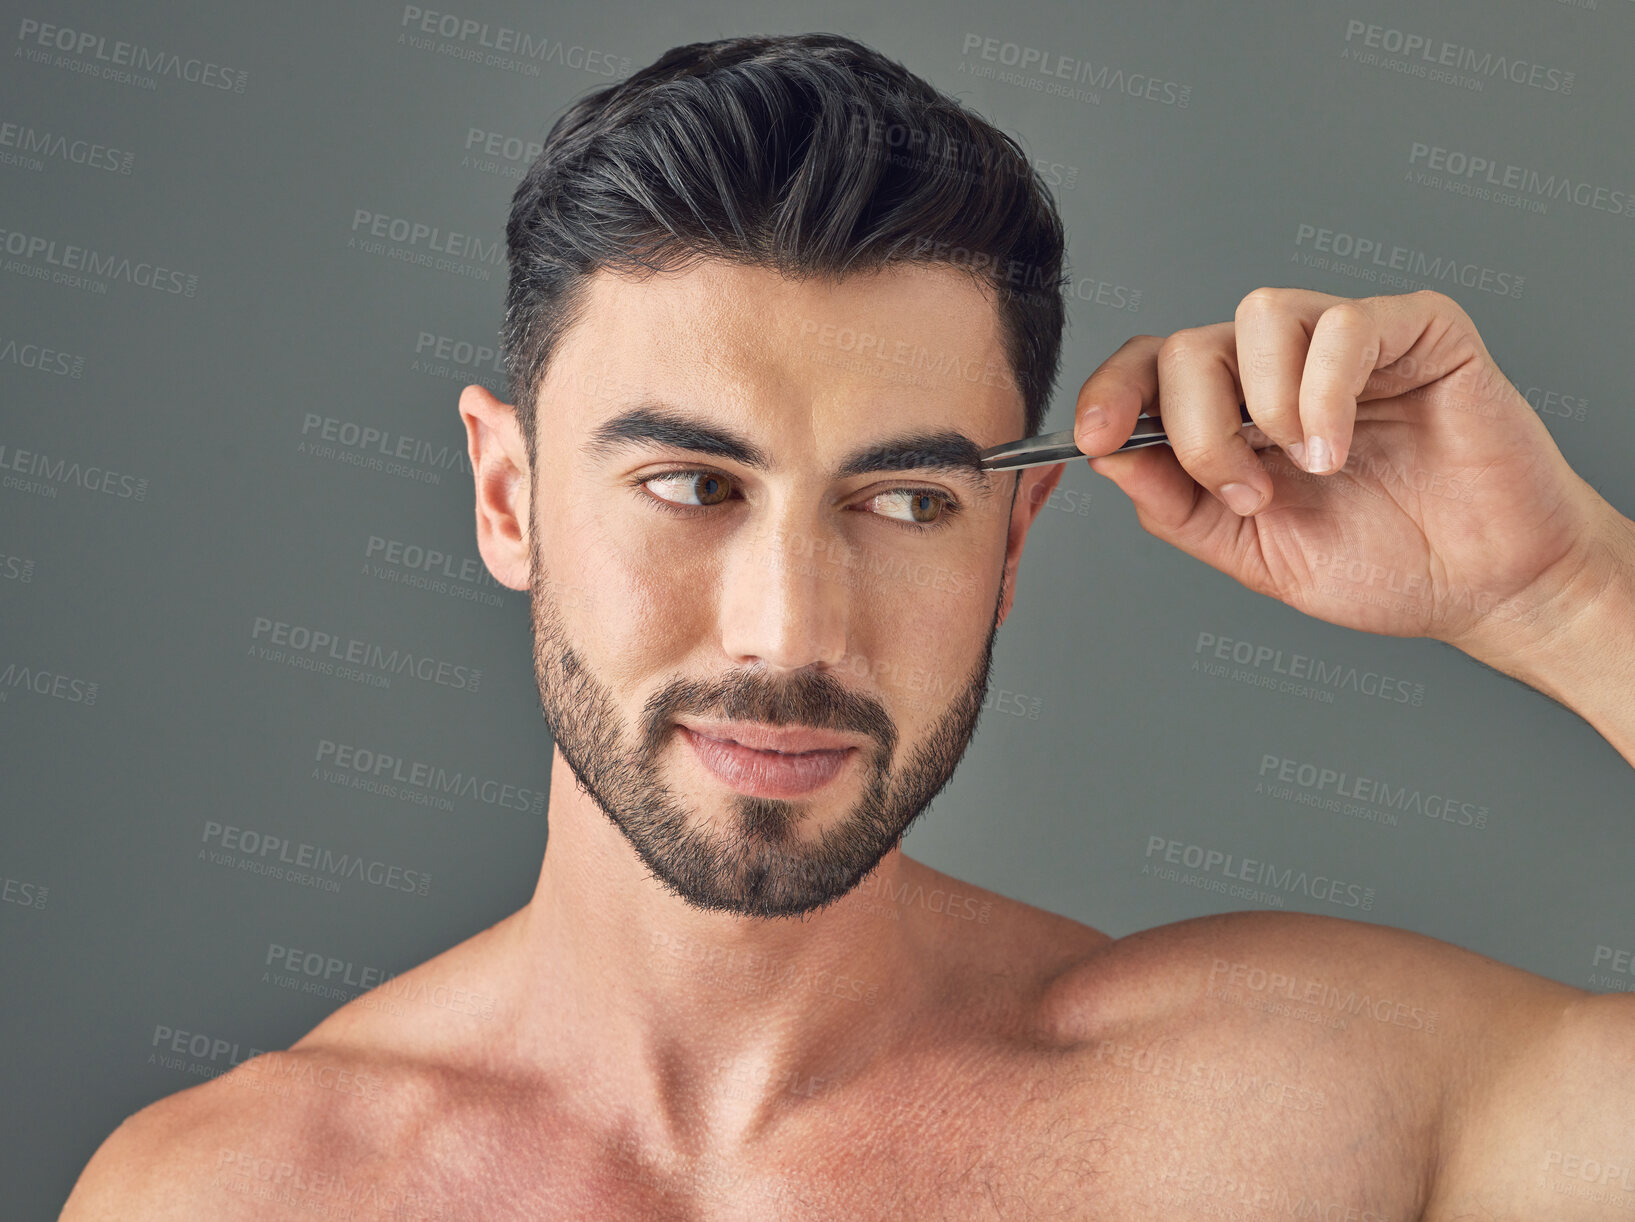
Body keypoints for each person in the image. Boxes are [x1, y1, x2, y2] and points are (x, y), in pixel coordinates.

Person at [62, 32, 1635, 1221]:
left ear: (1015, 540)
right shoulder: (230, 1191)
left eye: (903, 503)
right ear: (507, 495)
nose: (787, 626)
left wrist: (1563, 593)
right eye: (690, 483)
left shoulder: (1273, 1123)